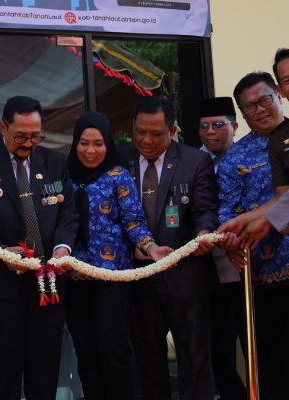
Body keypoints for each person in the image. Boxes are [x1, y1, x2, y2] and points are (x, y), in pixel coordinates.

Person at [0, 95, 78, 400]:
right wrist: (0, 251)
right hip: (1, 285)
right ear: (2, 127)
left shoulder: (55, 162)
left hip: (47, 285)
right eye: (21, 135)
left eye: (36, 135)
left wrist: (62, 249)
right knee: (3, 370)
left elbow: (68, 214)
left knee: (45, 368)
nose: (29, 142)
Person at [118, 96, 219, 400]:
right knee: (147, 359)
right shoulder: (118, 160)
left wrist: (204, 233)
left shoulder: (194, 161)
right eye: (139, 132)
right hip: (137, 277)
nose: (146, 141)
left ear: (172, 131)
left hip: (184, 273)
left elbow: (205, 210)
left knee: (194, 358)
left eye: (156, 134)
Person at [65, 111, 171, 399]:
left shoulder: (118, 175)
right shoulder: (64, 176)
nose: (90, 150)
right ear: (75, 143)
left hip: (113, 277)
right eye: (84, 143)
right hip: (73, 277)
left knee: (113, 347)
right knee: (85, 350)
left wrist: (151, 248)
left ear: (108, 144)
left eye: (98, 143)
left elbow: (133, 221)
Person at [217, 71, 289, 399]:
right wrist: (230, 241)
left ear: (278, 94)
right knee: (273, 368)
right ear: (242, 116)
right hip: (265, 280)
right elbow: (226, 212)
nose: (259, 110)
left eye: (264, 100)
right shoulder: (235, 158)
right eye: (249, 107)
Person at [197, 96, 247, 400]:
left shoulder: (247, 157)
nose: (211, 132)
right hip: (208, 269)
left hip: (249, 265)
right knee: (217, 343)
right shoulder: (190, 161)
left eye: (219, 125)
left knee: (258, 339)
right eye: (204, 126)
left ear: (234, 126)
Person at [237, 48, 289, 244]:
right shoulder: (279, 139)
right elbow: (283, 198)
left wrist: (267, 221)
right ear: (281, 90)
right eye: (287, 81)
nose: (260, 110)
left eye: (264, 101)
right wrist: (241, 221)